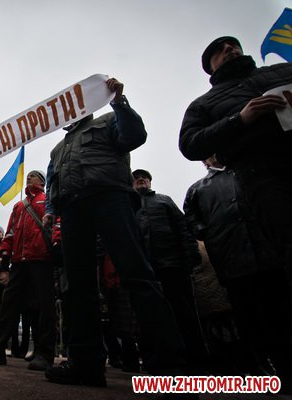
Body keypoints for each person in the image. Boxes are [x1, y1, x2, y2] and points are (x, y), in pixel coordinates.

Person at [42, 78, 187, 387]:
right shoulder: (57, 149)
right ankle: (86, 364)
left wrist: (119, 102)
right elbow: (52, 181)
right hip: (72, 211)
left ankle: (171, 368)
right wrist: (51, 211)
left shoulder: (108, 119)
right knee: (78, 287)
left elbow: (134, 136)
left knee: (137, 275)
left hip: (111, 199)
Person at [179, 36, 292, 270]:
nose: (229, 48)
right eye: (219, 49)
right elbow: (190, 144)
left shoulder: (283, 70)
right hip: (265, 178)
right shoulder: (203, 104)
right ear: (210, 66)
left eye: (233, 44)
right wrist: (239, 119)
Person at [184, 155, 292, 381]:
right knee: (247, 317)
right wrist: (209, 233)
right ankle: (259, 368)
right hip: (231, 259)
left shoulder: (247, 173)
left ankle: (285, 367)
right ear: (204, 161)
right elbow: (192, 221)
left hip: (266, 254)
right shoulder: (196, 190)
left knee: (278, 312)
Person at [0, 171, 56, 371]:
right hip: (18, 262)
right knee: (8, 305)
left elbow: (54, 223)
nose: (29, 177)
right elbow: (10, 232)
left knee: (45, 306)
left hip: (41, 258)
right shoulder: (18, 206)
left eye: (33, 175)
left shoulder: (47, 201)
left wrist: (56, 245)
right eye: (28, 175)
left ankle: (45, 354)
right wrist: (6, 253)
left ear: (42, 181)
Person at [132, 168, 208, 372]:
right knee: (149, 317)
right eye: (136, 178)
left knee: (184, 314)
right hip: (145, 271)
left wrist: (191, 254)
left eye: (144, 177)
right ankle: (156, 362)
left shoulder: (164, 201)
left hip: (173, 266)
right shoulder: (129, 207)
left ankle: (196, 361)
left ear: (150, 182)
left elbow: (183, 228)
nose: (141, 179)